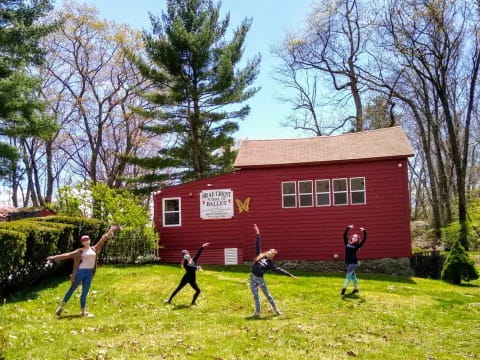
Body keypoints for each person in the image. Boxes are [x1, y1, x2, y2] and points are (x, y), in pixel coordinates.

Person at [47, 225, 120, 317]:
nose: (86, 241)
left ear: (89, 240)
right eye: (84, 240)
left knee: (85, 292)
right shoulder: (80, 251)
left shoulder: (94, 249)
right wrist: (54, 258)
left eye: (87, 239)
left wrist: (110, 230)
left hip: (89, 273)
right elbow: (67, 255)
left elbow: (103, 239)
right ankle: (61, 307)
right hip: (80, 272)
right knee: (72, 289)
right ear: (82, 242)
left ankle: (83, 312)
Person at [250, 224, 297, 318]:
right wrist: (258, 233)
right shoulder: (260, 255)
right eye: (270, 251)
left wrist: (290, 274)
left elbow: (279, 270)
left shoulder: (269, 263)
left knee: (267, 295)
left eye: (272, 253)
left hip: (260, 279)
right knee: (255, 296)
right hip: (252, 277)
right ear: (268, 251)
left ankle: (276, 310)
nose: (270, 253)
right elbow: (257, 245)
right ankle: (257, 313)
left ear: (272, 256)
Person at [341, 224, 367, 295]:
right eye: (354, 237)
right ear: (351, 238)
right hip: (347, 262)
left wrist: (364, 232)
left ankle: (344, 288)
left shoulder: (357, 245)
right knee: (353, 277)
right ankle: (356, 289)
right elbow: (344, 235)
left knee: (348, 275)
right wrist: (348, 228)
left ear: (357, 240)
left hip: (353, 262)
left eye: (356, 238)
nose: (355, 238)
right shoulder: (347, 243)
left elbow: (364, 240)